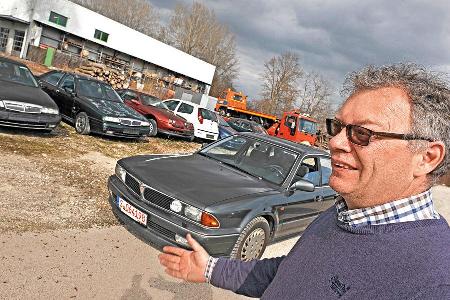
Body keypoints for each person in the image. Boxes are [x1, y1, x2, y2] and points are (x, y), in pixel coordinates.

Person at [159, 63, 450, 299]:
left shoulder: (434, 280)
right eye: (337, 127)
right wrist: (210, 268)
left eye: (361, 133)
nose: (335, 141)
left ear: (426, 157)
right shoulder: (343, 214)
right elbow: (287, 273)